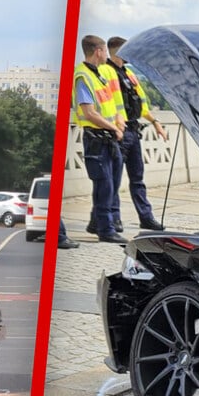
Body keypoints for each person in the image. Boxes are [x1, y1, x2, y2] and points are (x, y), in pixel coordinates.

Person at [107, 36, 168, 232]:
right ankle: (114, 218)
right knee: (113, 179)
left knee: (137, 178)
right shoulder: (106, 72)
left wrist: (155, 122)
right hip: (118, 132)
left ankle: (146, 217)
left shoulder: (129, 74)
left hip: (133, 131)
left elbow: (140, 105)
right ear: (115, 51)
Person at [72, 34, 125, 244]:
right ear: (98, 52)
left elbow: (112, 102)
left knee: (112, 184)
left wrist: (119, 121)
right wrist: (114, 127)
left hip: (110, 137)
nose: (107, 55)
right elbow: (89, 113)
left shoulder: (101, 73)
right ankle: (105, 230)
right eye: (104, 51)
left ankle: (96, 222)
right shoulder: (83, 76)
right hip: (96, 139)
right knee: (104, 186)